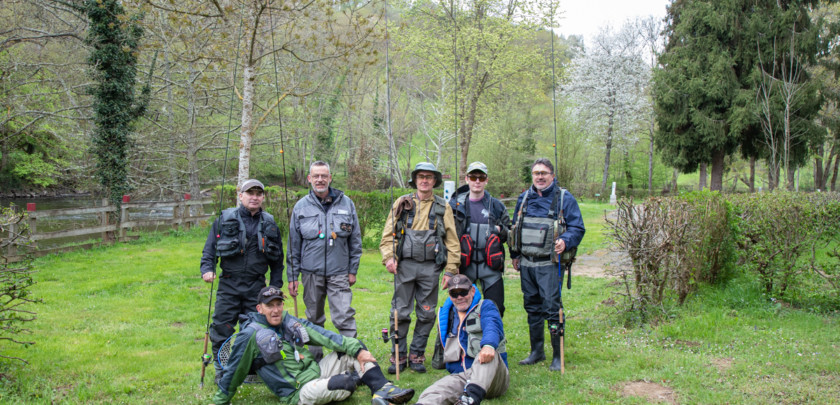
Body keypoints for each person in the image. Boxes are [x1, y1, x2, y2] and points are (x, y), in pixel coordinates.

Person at [211, 286, 415, 405]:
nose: (275, 310)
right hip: (298, 392)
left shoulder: (288, 321)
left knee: (355, 347)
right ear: (259, 308)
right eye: (269, 306)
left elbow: (324, 336)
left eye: (278, 304)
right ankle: (356, 378)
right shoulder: (250, 335)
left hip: (316, 371)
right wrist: (221, 399)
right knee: (345, 384)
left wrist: (357, 350)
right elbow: (234, 370)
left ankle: (383, 390)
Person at [379, 162, 460, 374]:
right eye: (421, 176)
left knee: (426, 313)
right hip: (403, 266)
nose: (424, 180)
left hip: (430, 269)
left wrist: (450, 270)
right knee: (400, 312)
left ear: (435, 181)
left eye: (429, 177)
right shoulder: (402, 203)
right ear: (415, 180)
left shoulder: (444, 207)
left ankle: (417, 354)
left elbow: (452, 242)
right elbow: (388, 235)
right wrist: (389, 258)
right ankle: (399, 354)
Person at [200, 179, 284, 380]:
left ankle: (252, 369)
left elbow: (278, 258)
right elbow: (210, 249)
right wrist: (207, 269)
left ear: (263, 197)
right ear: (241, 196)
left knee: (254, 329)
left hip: (256, 286)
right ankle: (223, 371)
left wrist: (275, 286)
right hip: (229, 283)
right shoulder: (225, 219)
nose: (254, 197)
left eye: (258, 193)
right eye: (250, 193)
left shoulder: (270, 223)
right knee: (222, 327)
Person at [509, 158, 585, 371]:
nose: (540, 177)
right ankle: (537, 352)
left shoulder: (564, 198)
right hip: (526, 264)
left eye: (544, 173)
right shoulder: (524, 198)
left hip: (550, 264)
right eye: (536, 173)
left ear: (552, 175)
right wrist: (514, 254)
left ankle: (557, 356)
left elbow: (577, 228)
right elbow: (515, 226)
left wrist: (565, 240)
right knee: (532, 307)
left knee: (552, 309)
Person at [287, 161, 362, 361]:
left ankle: (349, 361)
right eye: (316, 176)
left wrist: (352, 269)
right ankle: (314, 363)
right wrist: (292, 276)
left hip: (339, 272)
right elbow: (293, 245)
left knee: (344, 317)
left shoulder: (347, 204)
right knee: (312, 321)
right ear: (309, 179)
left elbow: (355, 241)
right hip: (311, 273)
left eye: (324, 176)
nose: (320, 179)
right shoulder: (301, 207)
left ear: (330, 178)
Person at [415, 275, 509, 405]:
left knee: (485, 356)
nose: (459, 297)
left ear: (472, 291)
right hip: (464, 377)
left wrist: (488, 345)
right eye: (454, 294)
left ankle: (470, 399)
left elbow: (492, 326)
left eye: (463, 292)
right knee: (432, 392)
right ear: (449, 295)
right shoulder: (447, 315)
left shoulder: (486, 306)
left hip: (492, 376)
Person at [449, 161, 511, 317]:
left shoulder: (496, 206)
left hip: (491, 268)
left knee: (495, 310)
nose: (477, 181)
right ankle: (462, 340)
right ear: (467, 179)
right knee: (460, 310)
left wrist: (499, 230)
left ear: (486, 180)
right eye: (473, 177)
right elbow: (446, 236)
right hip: (464, 267)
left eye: (481, 178)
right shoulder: (455, 206)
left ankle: (491, 340)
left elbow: (510, 233)